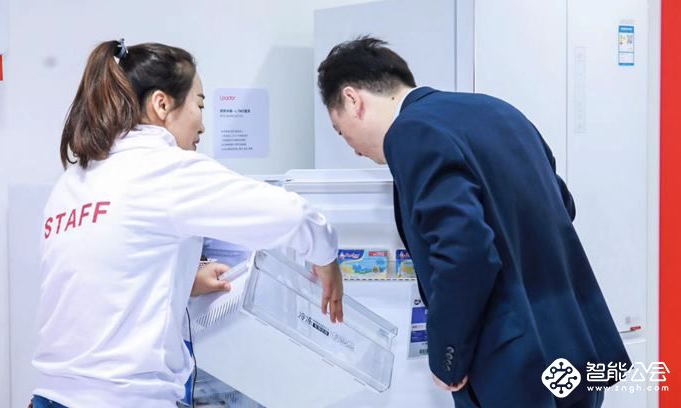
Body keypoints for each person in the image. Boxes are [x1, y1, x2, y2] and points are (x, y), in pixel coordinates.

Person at [316, 36, 630, 408]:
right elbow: (562, 204)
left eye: (341, 131)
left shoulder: (410, 132)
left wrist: (447, 355)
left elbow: (465, 251)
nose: (353, 148)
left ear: (352, 100)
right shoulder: (499, 110)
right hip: (573, 344)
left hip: (512, 367)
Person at [32, 39, 344, 408]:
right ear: (161, 104)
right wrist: (327, 259)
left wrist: (184, 281)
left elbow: (103, 273)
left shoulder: (74, 180)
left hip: (51, 396)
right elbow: (293, 216)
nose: (203, 125)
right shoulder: (162, 169)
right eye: (199, 105)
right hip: (124, 397)